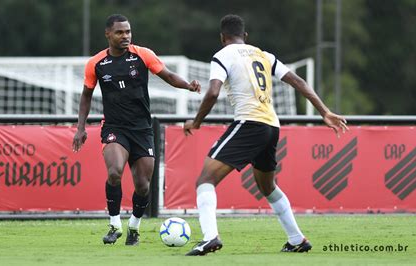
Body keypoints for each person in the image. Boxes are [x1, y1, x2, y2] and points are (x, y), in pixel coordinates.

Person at [183, 14, 349, 256]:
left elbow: (212, 93)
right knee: (267, 186)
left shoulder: (222, 55)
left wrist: (196, 122)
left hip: (249, 123)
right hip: (272, 126)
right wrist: (324, 111)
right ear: (245, 36)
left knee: (205, 181)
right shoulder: (263, 54)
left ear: (222, 38)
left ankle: (210, 238)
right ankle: (296, 239)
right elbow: (297, 80)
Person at [72, 14, 201, 246]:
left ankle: (133, 227)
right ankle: (114, 225)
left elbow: (169, 76)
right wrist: (80, 128)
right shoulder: (96, 63)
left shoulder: (143, 55)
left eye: (128, 32)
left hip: (142, 129)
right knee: (114, 172)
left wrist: (188, 86)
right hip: (114, 127)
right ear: (108, 34)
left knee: (143, 185)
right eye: (120, 32)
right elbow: (86, 96)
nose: (126, 36)